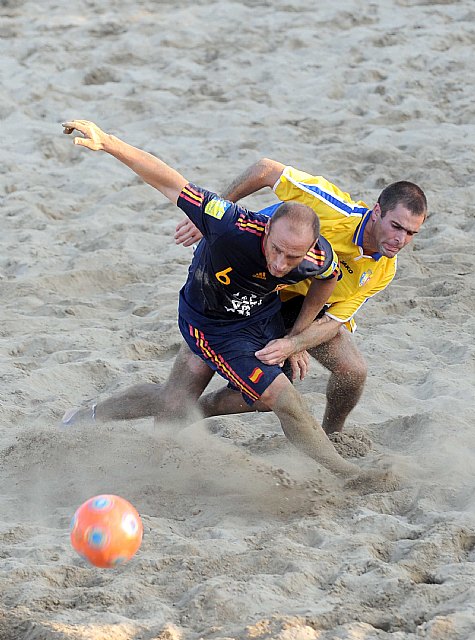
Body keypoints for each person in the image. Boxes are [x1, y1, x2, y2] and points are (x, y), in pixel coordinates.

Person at [60, 119, 381, 484]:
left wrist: (296, 338)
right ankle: (89, 417)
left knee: (270, 397)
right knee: (181, 403)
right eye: (276, 250)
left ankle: (345, 472)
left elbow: (328, 280)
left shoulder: (316, 258)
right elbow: (168, 180)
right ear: (267, 228)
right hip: (209, 324)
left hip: (261, 316)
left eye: (292, 258)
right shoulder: (228, 223)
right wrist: (109, 142)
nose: (280, 264)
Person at [175, 158, 428, 435]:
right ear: (377, 211)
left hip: (296, 308)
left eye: (411, 233)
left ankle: (332, 435)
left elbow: (333, 320)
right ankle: (160, 412)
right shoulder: (333, 209)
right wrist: (210, 216)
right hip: (236, 294)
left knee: (353, 372)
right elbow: (265, 169)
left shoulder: (384, 270)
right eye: (396, 226)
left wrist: (295, 342)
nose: (400, 240)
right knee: (176, 398)